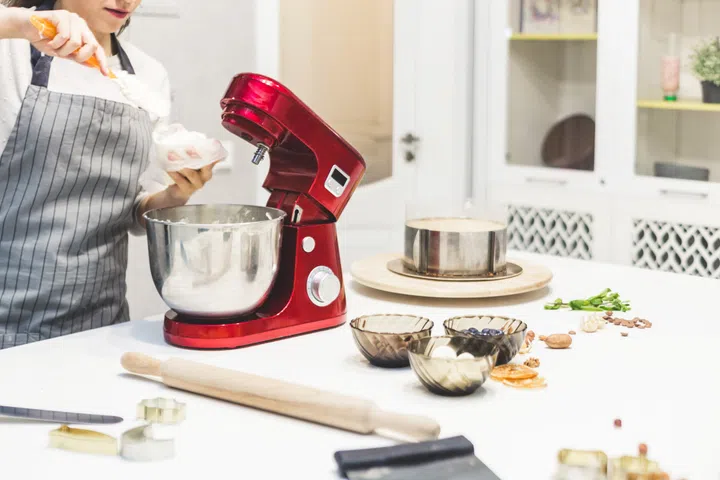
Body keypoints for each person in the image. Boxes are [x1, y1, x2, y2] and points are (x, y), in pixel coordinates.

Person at [0, 0, 221, 348]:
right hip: (10, 330)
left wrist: (175, 196)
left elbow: (132, 210)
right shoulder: (11, 49)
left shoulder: (147, 76)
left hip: (104, 327)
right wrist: (22, 23)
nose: (127, 1)